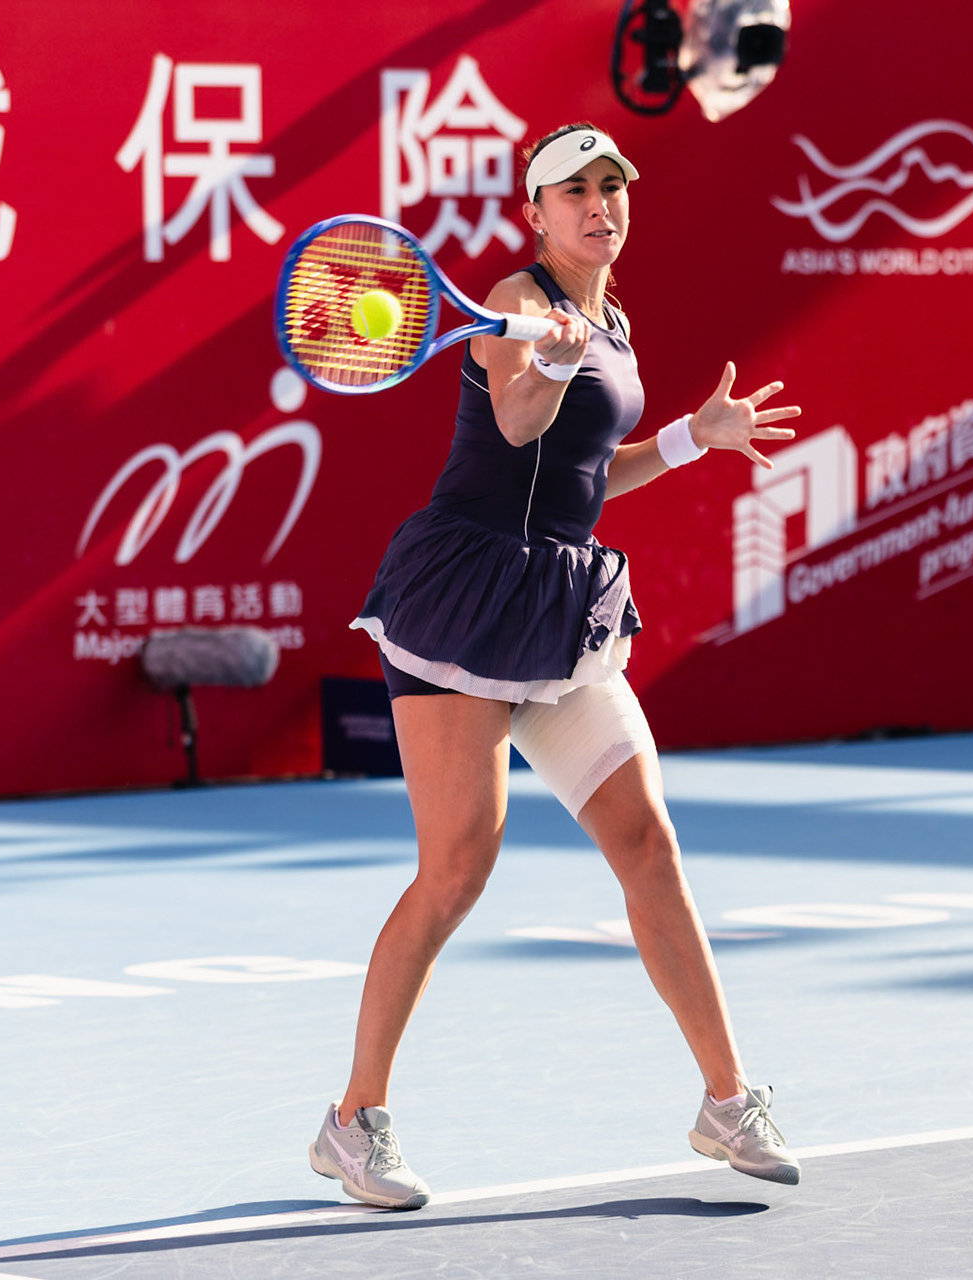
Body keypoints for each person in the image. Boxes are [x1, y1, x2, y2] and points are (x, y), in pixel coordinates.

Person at [308, 124, 803, 1210]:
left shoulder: (612, 318)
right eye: (573, 189)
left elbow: (585, 475)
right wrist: (552, 357)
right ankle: (353, 1122)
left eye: (612, 187)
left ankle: (725, 1099)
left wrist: (691, 437)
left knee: (649, 840)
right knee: (456, 873)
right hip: (467, 600)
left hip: (562, 605)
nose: (599, 204)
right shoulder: (517, 302)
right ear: (536, 212)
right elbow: (523, 413)